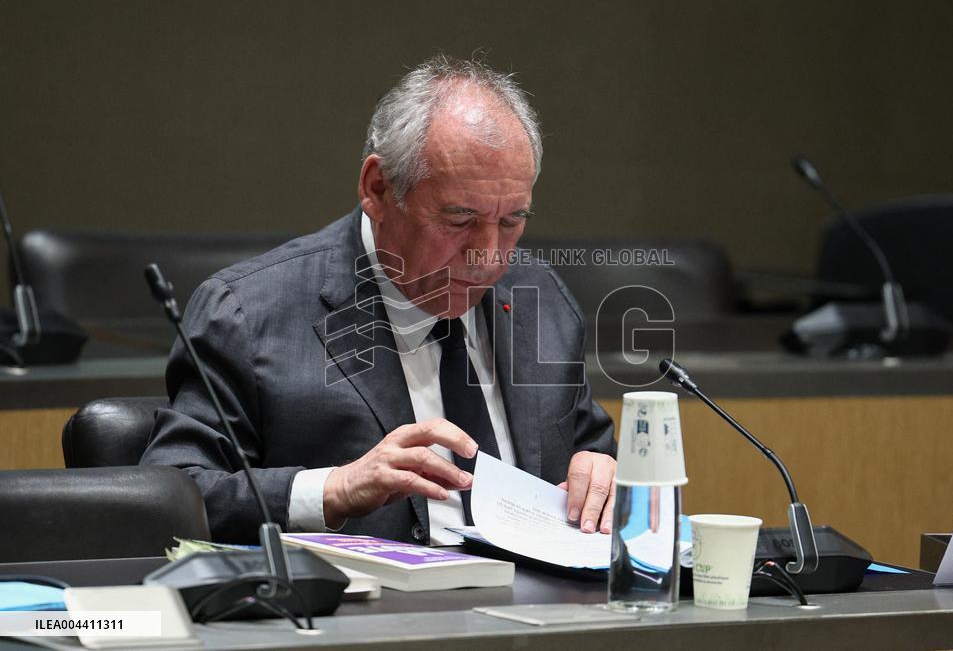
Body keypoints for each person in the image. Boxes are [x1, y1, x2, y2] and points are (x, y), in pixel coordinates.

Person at [141, 55, 617, 545]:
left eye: (513, 220)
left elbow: (593, 456)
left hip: (545, 614)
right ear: (378, 188)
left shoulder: (541, 300)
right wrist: (334, 489)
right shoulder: (247, 314)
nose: (489, 256)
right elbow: (171, 495)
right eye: (459, 220)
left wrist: (604, 478)